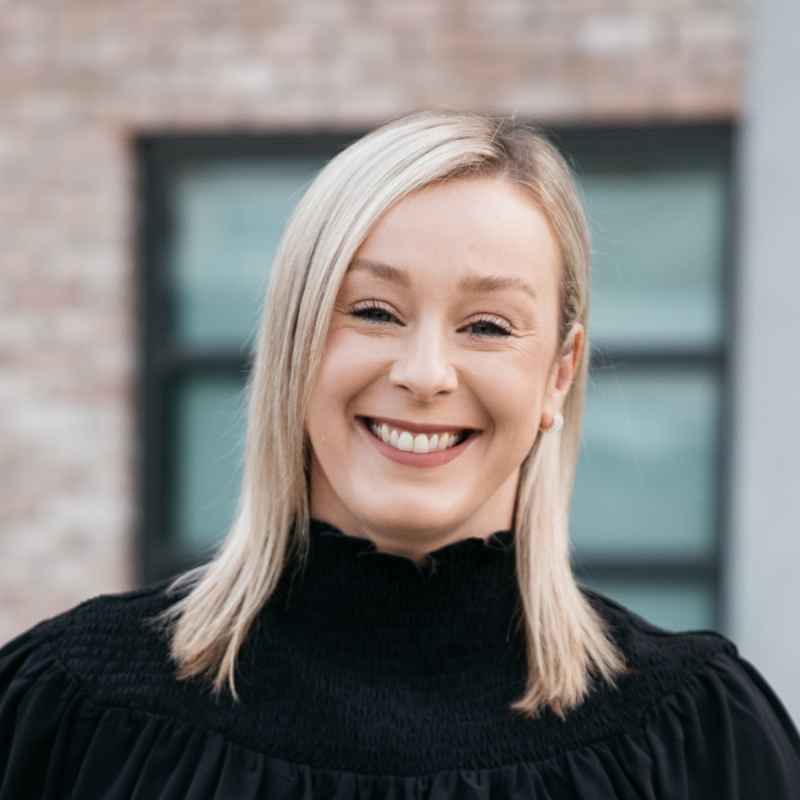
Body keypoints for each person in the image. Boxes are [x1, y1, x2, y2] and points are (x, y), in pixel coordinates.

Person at [1, 111, 799, 799]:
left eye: (486, 325)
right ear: (293, 343)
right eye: (375, 311)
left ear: (559, 374)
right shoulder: (65, 712)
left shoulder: (701, 738)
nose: (424, 374)